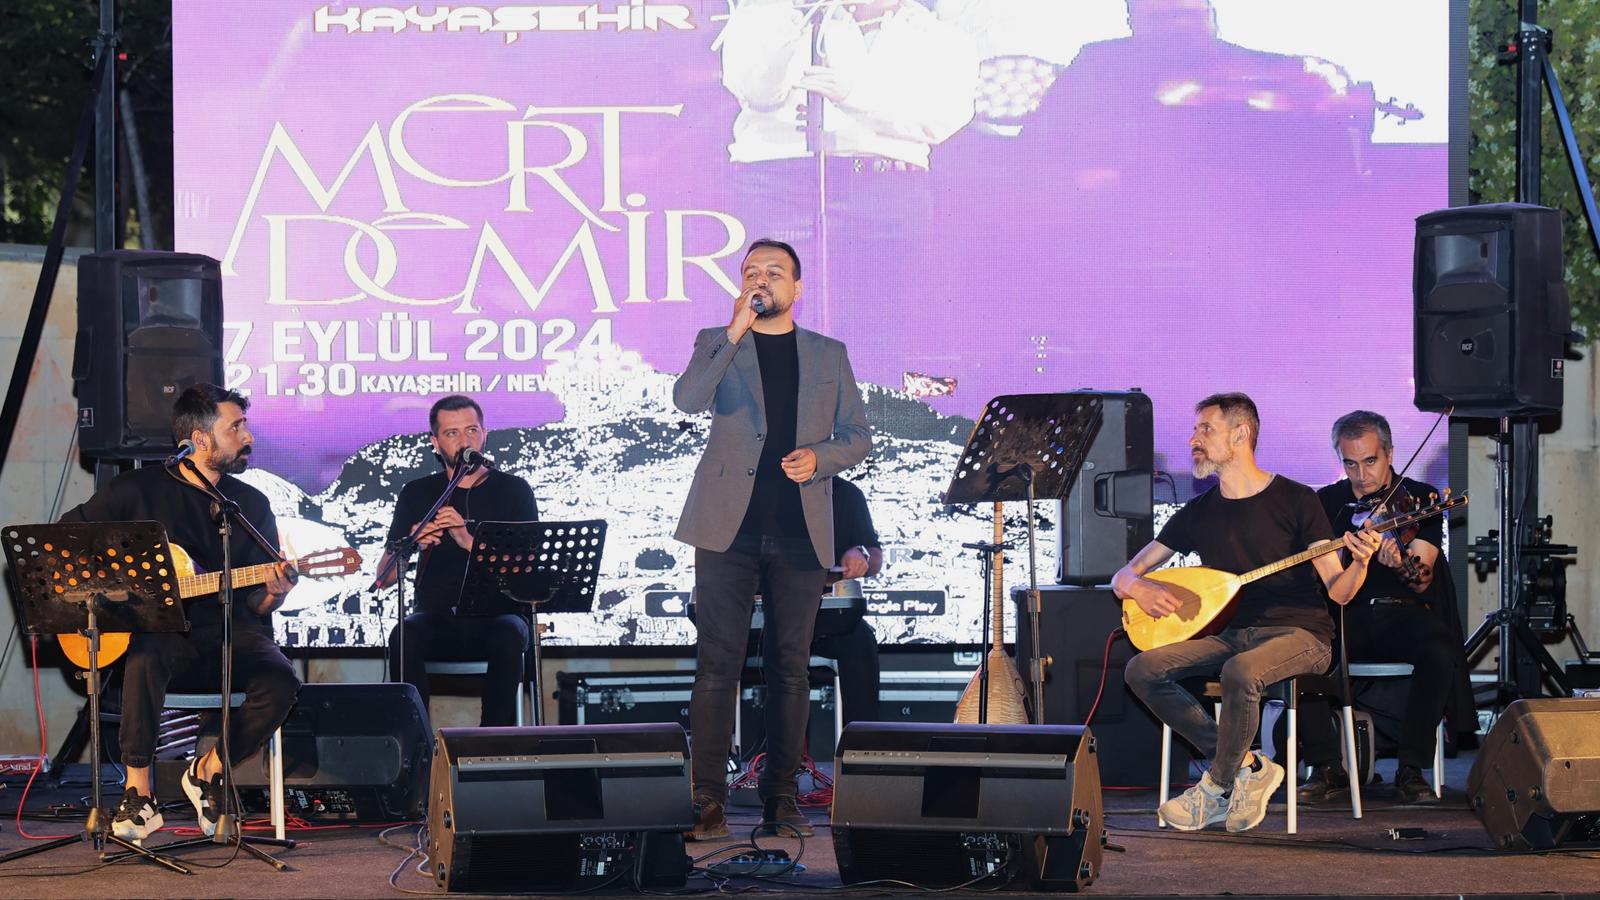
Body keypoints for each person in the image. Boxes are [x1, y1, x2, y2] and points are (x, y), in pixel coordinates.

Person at [673, 238, 871, 841]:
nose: (761, 280)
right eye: (751, 271)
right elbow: (687, 399)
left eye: (774, 272)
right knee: (717, 666)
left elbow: (858, 435)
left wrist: (821, 458)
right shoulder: (718, 340)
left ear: (797, 287)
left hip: (801, 529)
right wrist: (734, 330)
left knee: (790, 669)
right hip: (725, 527)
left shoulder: (829, 353)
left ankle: (781, 799)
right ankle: (707, 801)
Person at [1112, 392, 1381, 834]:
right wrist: (1137, 587)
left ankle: (1215, 787)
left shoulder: (1297, 499)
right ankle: (1249, 767)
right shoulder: (1199, 512)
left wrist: (1362, 563)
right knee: (1142, 669)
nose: (1193, 439)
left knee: (1240, 671)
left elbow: (1339, 590)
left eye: (1205, 429)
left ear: (1240, 435)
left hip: (1302, 635)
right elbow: (1124, 575)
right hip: (1231, 635)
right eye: (1195, 429)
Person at [60, 384, 301, 843]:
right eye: (236, 427)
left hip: (229, 633)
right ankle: (139, 794)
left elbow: (258, 603)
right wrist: (118, 586)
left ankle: (208, 768)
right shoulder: (135, 490)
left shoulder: (248, 506)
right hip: (162, 637)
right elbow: (67, 542)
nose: (248, 437)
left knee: (281, 681)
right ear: (200, 439)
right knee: (148, 648)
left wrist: (276, 592)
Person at [1299, 410, 1474, 805]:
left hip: (1400, 613)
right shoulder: (1326, 503)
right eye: (1350, 463)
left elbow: (1423, 578)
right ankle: (1326, 767)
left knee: (1439, 646)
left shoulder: (1418, 499)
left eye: (1370, 461)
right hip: (1344, 615)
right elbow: (1322, 576)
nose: (1361, 475)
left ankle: (1411, 768)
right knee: (1301, 649)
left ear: (1390, 454)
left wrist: (1399, 563)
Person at [374, 395, 538, 728]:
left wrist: (466, 540)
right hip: (437, 620)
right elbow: (383, 578)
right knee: (404, 635)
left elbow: (527, 571)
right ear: (435, 443)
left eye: (472, 430)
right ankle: (416, 744)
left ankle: (493, 744)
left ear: (484, 434)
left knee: (509, 633)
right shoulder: (417, 493)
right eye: (452, 433)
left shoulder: (514, 490)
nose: (465, 441)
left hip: (498, 618)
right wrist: (412, 544)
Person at [787, 475, 884, 725]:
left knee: (860, 639)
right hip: (766, 615)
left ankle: (861, 740)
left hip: (823, 617)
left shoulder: (847, 494)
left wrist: (860, 554)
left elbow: (874, 555)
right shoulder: (764, 491)